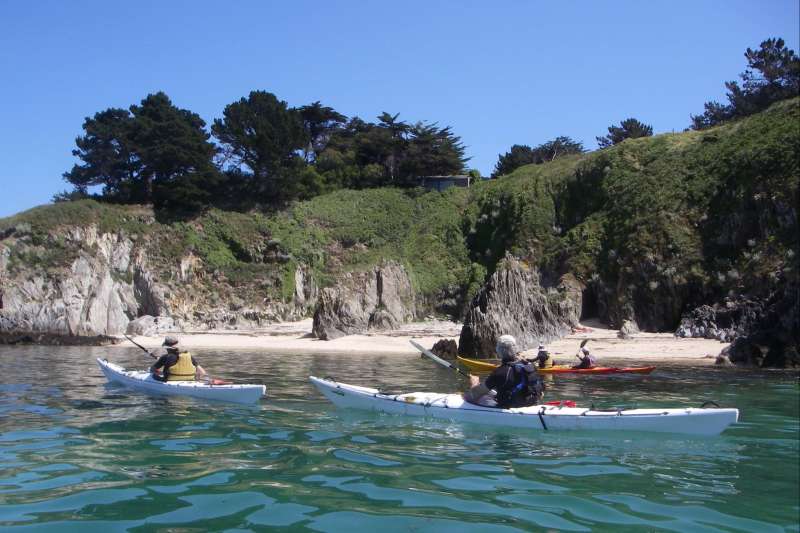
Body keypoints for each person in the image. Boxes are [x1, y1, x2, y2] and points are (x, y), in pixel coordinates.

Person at [464, 335, 545, 408]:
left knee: (478, 397)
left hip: (512, 406)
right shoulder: (529, 365)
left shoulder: (500, 372)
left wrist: (474, 384)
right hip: (532, 402)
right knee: (491, 392)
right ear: (515, 349)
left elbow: (472, 396)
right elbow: (541, 389)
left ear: (499, 351)